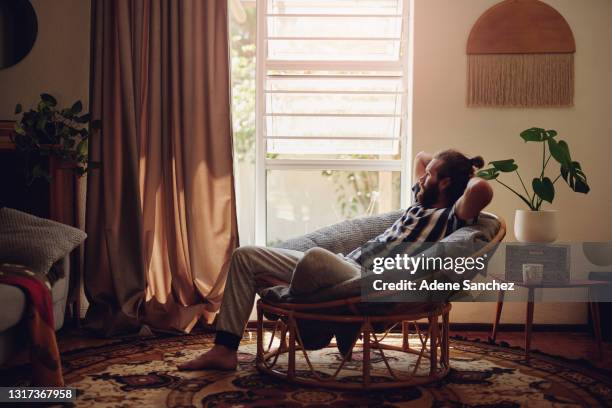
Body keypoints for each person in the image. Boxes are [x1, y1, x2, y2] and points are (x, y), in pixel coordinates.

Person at [177, 149, 493, 371]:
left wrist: (465, 171)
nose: (422, 177)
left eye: (430, 175)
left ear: (447, 184)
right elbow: (422, 157)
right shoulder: (418, 204)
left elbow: (482, 190)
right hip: (344, 267)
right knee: (245, 256)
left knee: (313, 260)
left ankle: (312, 326)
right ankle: (224, 349)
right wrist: (440, 167)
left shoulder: (452, 216)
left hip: (367, 281)